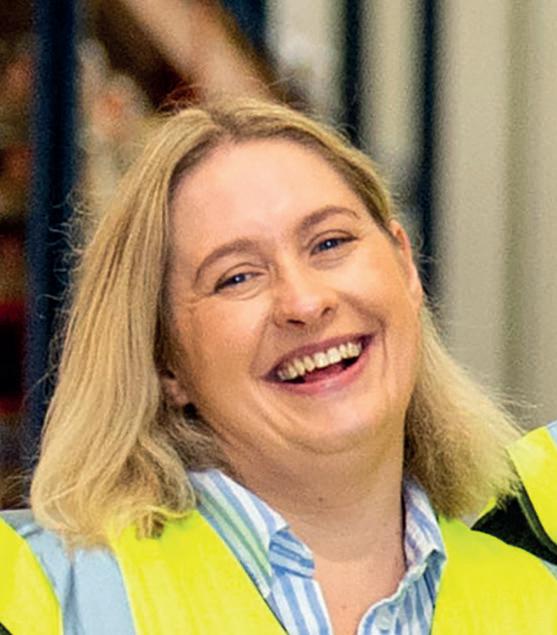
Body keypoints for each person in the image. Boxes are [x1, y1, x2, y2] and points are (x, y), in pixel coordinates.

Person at [1, 98, 556, 635]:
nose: (305, 302)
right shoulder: (37, 593)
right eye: (237, 277)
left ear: (405, 266)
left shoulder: (538, 596)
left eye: (330, 243)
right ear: (165, 362)